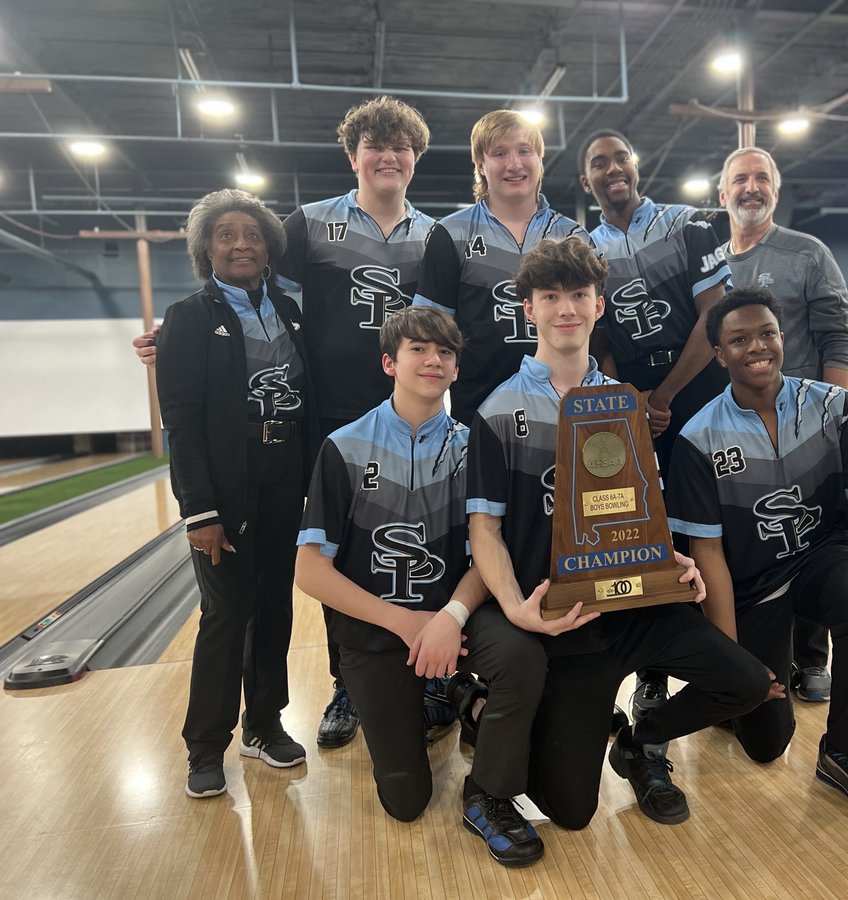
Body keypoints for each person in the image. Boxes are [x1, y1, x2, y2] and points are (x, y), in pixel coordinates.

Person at [136, 97, 437, 749]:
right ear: (353, 156)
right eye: (373, 145)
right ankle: (347, 684)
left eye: (399, 146)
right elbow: (248, 294)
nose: (387, 156)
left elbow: (450, 321)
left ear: (415, 157)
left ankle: (424, 676)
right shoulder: (308, 224)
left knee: (415, 546)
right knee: (337, 562)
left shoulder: (434, 235)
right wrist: (180, 335)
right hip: (326, 426)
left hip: (409, 418)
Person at [467, 235, 776, 831]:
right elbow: (485, 529)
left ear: (599, 306)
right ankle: (481, 709)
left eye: (579, 295)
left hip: (638, 608)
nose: (566, 309)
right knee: (572, 813)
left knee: (742, 680)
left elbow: (645, 509)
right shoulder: (497, 411)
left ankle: (638, 741)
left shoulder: (622, 404)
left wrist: (674, 560)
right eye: (550, 296)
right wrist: (517, 610)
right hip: (568, 621)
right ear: (526, 308)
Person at [294, 307, 550, 867]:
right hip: (378, 629)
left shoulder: (472, 445)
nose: (433, 360)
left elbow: (490, 553)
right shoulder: (343, 446)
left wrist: (449, 616)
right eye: (418, 349)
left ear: (457, 368)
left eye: (445, 352)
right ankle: (456, 693)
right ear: (390, 361)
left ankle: (486, 792)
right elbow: (310, 572)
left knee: (522, 657)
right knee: (406, 802)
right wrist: (405, 622)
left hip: (452, 620)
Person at [666, 287, 848, 820]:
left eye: (767, 334)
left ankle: (847, 755)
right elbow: (707, 553)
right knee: (765, 744)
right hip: (752, 584)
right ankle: (733, 709)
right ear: (719, 353)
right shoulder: (696, 439)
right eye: (739, 339)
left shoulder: (834, 408)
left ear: (782, 338)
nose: (757, 346)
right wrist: (730, 663)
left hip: (821, 560)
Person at [156, 189, 318, 799]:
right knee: (227, 614)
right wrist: (199, 512)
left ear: (269, 246)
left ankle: (265, 723)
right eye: (225, 235)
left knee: (275, 605)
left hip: (286, 475)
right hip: (228, 483)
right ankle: (205, 746)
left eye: (251, 233)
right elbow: (183, 421)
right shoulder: (190, 318)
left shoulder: (292, 310)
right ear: (206, 250)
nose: (241, 243)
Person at [579, 128, 733, 723]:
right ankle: (654, 674)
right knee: (653, 539)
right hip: (638, 409)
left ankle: (728, 654)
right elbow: (599, 338)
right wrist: (629, 399)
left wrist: (663, 394)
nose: (612, 169)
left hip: (700, 400)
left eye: (620, 157)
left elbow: (713, 315)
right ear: (588, 180)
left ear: (636, 166)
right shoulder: (585, 247)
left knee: (712, 534)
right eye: (599, 163)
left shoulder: (688, 224)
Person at [718, 146, 848, 703]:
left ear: (775, 189)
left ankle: (810, 657)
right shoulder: (710, 262)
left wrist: (833, 416)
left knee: (813, 534)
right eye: (740, 179)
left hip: (803, 428)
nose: (751, 188)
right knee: (748, 543)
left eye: (761, 178)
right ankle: (753, 655)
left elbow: (836, 335)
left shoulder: (807, 253)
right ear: (721, 193)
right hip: (732, 430)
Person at [414, 109, 587, 425]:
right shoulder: (450, 234)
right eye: (500, 153)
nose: (514, 164)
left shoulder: (572, 236)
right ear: (480, 164)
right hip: (479, 410)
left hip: (564, 407)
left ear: (539, 159)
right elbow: (431, 335)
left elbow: (596, 330)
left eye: (524, 151)